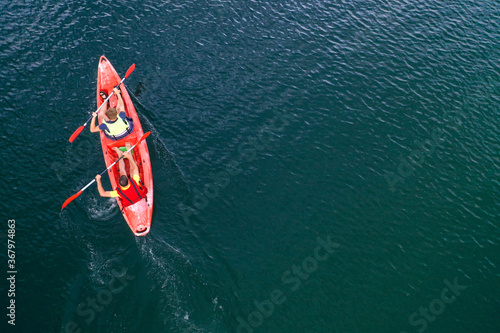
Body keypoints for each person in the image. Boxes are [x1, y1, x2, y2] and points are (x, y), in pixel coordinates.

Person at [95, 142, 148, 207]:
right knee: (132, 169)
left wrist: (98, 180)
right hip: (139, 194)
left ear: (120, 184)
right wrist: (128, 157)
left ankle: (120, 154)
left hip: (130, 200)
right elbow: (135, 167)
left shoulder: (118, 193)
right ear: (128, 181)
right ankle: (126, 152)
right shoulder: (135, 180)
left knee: (122, 172)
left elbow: (102, 193)